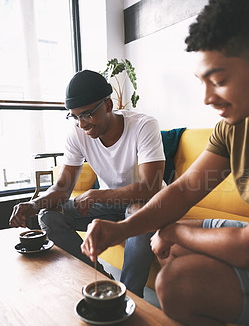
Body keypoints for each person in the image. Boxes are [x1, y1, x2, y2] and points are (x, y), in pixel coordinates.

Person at [80, 0, 249, 326]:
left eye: (219, 79)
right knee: (172, 247)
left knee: (178, 279)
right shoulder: (236, 128)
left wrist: (174, 229)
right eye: (202, 81)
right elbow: (182, 192)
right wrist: (120, 228)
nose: (207, 98)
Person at [9, 70, 165, 297]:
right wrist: (34, 204)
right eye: (75, 116)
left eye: (88, 115)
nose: (82, 124)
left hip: (147, 203)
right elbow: (62, 189)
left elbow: (150, 187)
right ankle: (104, 283)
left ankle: (130, 296)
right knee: (48, 215)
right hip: (111, 206)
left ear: (108, 106)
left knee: (137, 212)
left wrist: (97, 195)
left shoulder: (143, 126)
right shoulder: (77, 134)